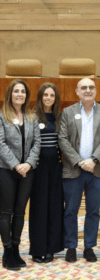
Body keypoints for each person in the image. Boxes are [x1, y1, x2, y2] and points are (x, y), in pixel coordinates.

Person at [58, 78, 100, 263]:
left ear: (96, 91)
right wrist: (80, 162)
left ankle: (89, 247)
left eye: (91, 87)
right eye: (84, 88)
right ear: (77, 91)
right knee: (71, 210)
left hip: (97, 170)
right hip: (73, 169)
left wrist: (94, 160)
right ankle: (71, 246)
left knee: (93, 211)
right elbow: (63, 140)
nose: (88, 90)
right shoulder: (68, 112)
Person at [0, 79, 41, 270]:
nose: (19, 94)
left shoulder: (32, 117)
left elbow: (37, 144)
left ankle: (16, 248)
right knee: (6, 212)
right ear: (10, 94)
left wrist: (28, 164)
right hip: (6, 170)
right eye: (16, 91)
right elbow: (0, 144)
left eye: (23, 91)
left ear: (26, 95)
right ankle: (7, 251)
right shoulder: (1, 115)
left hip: (27, 171)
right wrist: (17, 165)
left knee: (20, 212)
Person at [29, 83, 64, 263]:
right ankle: (37, 249)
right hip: (38, 168)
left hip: (56, 168)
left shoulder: (60, 117)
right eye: (45, 95)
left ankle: (51, 248)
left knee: (54, 208)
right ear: (40, 97)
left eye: (52, 95)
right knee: (39, 208)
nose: (48, 98)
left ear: (55, 98)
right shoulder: (33, 116)